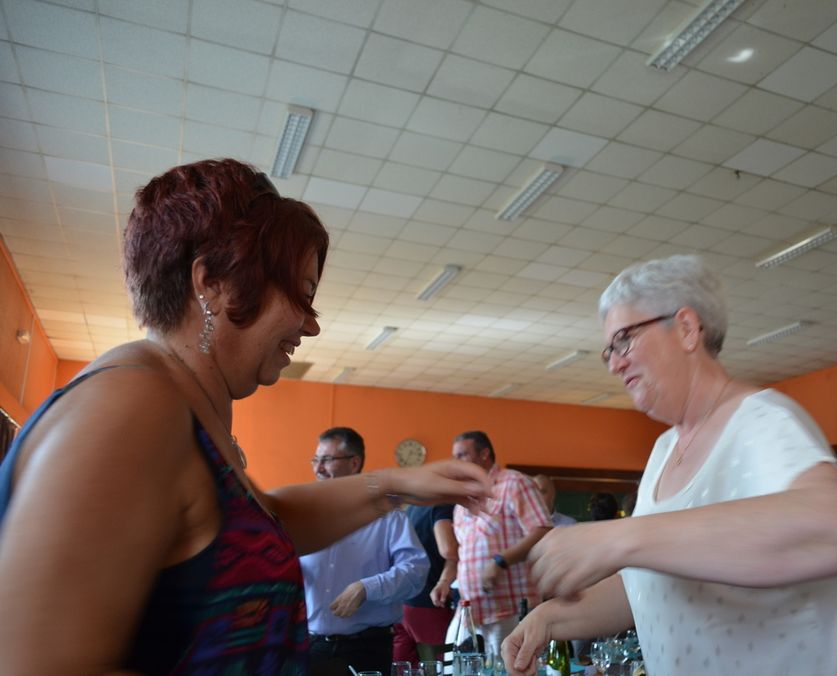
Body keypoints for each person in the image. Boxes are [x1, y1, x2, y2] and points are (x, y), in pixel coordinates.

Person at [0, 159, 490, 675]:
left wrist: (399, 486)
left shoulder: (180, 404)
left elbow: (269, 522)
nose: (310, 325)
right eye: (299, 293)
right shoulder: (130, 407)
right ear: (211, 283)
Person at [503, 254, 837, 676]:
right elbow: (645, 588)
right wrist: (546, 621)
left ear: (686, 329)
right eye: (609, 351)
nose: (614, 363)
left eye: (624, 340)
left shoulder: (761, 419)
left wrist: (620, 537)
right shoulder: (663, 451)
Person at [301, 427, 429, 675]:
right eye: (315, 460)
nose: (318, 469)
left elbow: (415, 571)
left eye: (327, 460)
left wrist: (366, 587)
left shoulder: (388, 516)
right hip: (310, 647)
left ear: (354, 462)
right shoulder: (305, 515)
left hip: (366, 649)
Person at [452, 431, 553, 658]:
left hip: (509, 609)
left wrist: (500, 561)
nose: (457, 463)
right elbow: (464, 550)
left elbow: (542, 530)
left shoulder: (514, 483)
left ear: (484, 454)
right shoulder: (463, 498)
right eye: (454, 457)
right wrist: (444, 581)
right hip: (471, 610)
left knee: (511, 669)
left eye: (463, 455)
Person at [393, 500, 459, 665]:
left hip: (401, 603)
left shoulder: (412, 508)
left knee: (404, 668)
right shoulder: (442, 505)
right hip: (429, 602)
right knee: (443, 666)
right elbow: (449, 549)